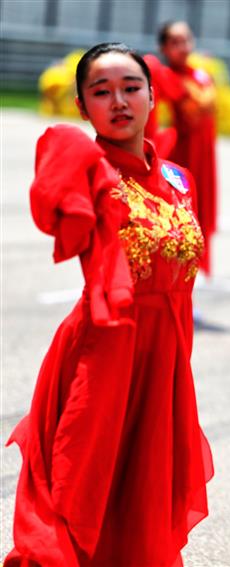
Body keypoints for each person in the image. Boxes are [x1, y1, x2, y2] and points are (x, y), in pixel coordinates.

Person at [5, 42, 213, 566]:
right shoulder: (88, 166)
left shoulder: (178, 179)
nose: (118, 101)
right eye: (101, 92)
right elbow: (55, 184)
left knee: (144, 489)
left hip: (164, 357)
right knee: (83, 490)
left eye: (130, 88)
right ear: (82, 107)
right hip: (105, 352)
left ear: (151, 95)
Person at [146, 20, 217, 273]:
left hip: (204, 158)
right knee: (179, 222)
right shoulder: (163, 75)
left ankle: (188, 290)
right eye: (175, 42)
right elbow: (151, 111)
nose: (183, 47)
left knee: (200, 219)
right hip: (182, 157)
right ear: (164, 47)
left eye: (186, 40)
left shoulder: (201, 75)